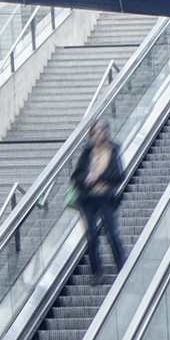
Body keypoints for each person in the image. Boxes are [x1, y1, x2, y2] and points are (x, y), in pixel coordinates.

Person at [72, 119, 128, 277]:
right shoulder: (87, 152)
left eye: (100, 131)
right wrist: (86, 177)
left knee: (111, 232)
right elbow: (76, 175)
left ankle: (122, 266)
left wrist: (99, 176)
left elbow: (119, 175)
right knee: (91, 236)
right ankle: (96, 271)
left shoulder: (112, 150)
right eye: (95, 131)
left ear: (106, 132)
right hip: (87, 199)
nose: (97, 134)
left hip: (105, 197)